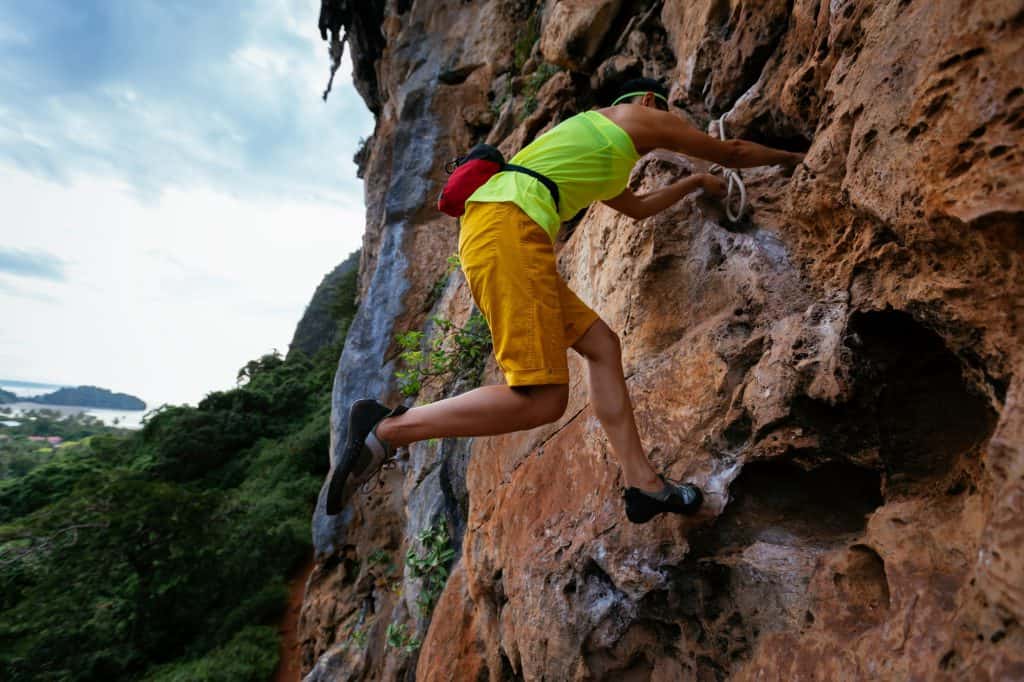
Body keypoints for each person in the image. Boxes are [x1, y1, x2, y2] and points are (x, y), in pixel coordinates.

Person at [326, 78, 804, 522]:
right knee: (541, 400)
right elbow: (733, 150)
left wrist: (698, 183)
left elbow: (636, 209)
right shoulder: (636, 117)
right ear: (646, 102)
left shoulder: (601, 150)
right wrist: (796, 158)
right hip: (509, 230)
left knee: (602, 346)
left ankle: (644, 486)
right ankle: (386, 431)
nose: (670, 121)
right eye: (667, 111)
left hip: (506, 233)